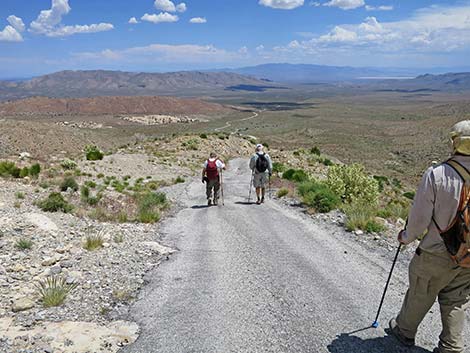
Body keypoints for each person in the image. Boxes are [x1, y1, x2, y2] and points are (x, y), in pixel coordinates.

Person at [389, 120, 470, 353]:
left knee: (421, 291)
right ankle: (451, 347)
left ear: (455, 142)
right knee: (456, 300)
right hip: (467, 257)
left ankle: (404, 331)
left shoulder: (438, 174)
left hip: (436, 252)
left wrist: (406, 237)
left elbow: (419, 220)